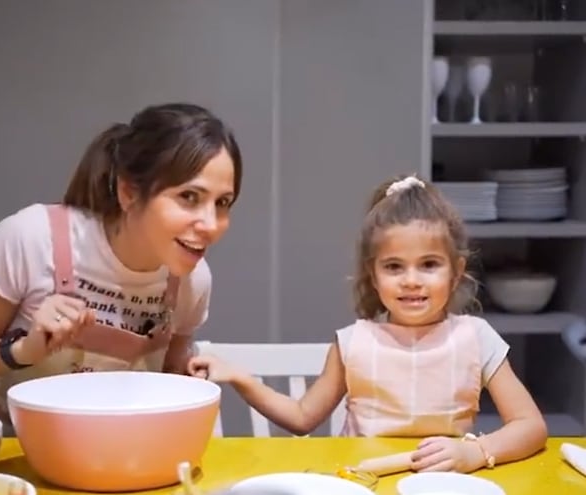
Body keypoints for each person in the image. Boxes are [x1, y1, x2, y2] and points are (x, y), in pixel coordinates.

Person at [189, 175, 548, 474]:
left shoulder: (477, 338)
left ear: (455, 272)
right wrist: (239, 377)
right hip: (363, 483)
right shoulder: (353, 342)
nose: (411, 280)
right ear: (373, 276)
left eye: (428, 264)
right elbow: (301, 417)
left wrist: (475, 453)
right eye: (394, 266)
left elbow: (530, 426)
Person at [0, 102, 242, 434]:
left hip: (111, 451)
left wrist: (188, 377)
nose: (211, 224)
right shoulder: (32, 239)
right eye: (189, 197)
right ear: (128, 192)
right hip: (8, 454)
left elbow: (170, 372)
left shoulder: (192, 280)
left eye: (223, 203)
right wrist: (23, 349)